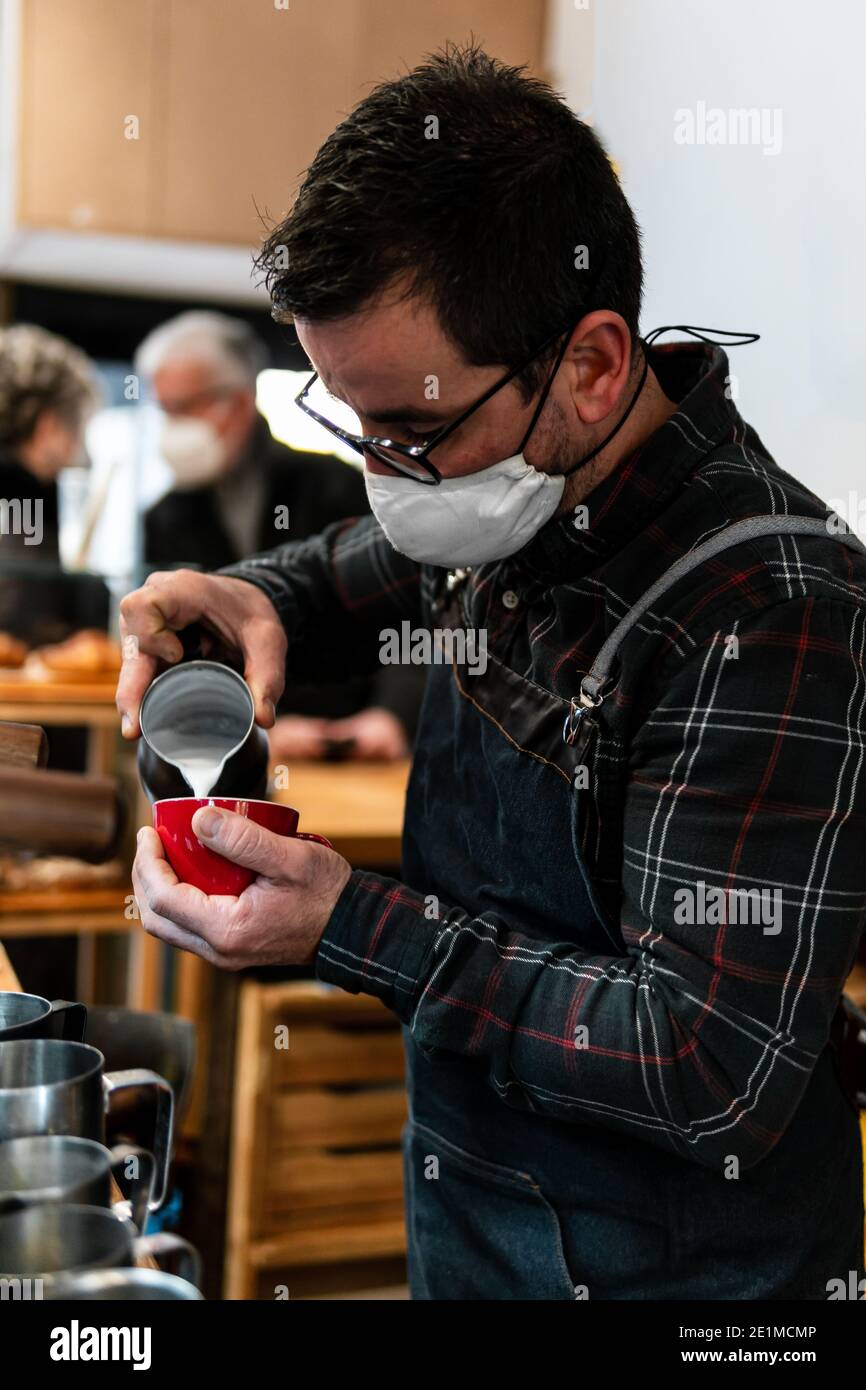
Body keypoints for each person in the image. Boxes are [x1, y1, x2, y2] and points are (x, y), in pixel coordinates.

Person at [118, 47, 865, 1300]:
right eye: (354, 429)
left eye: (410, 431)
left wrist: (348, 922)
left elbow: (706, 1062)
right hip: (468, 1216)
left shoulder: (769, 612)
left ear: (589, 365)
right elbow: (354, 561)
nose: (385, 478)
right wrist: (255, 591)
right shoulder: (507, 486)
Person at [137, 310, 420, 759]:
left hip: (359, 741)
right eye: (164, 409)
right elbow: (179, 649)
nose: (172, 426)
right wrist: (255, 729)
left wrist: (393, 715)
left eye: (184, 407)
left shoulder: (335, 483)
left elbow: (410, 605)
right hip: (244, 746)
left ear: (239, 401)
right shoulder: (163, 516)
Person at [0, 324, 99, 562]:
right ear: (49, 426)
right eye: (78, 429)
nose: (78, 448)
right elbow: (27, 596)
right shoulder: (25, 508)